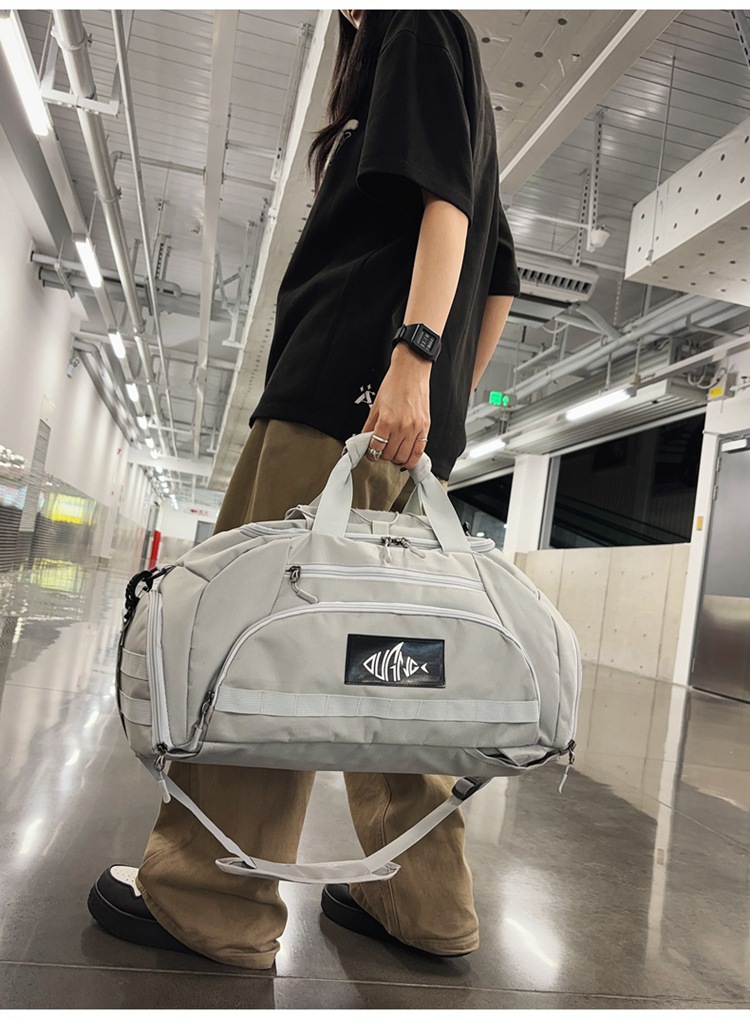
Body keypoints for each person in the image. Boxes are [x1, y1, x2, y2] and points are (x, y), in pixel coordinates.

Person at [88, 9, 520, 969]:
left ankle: (210, 900)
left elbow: (448, 212)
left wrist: (410, 360)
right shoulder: (459, 72)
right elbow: (498, 271)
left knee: (260, 638)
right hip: (399, 431)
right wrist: (439, 402)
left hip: (336, 404)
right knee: (395, 668)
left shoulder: (413, 25)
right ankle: (424, 901)